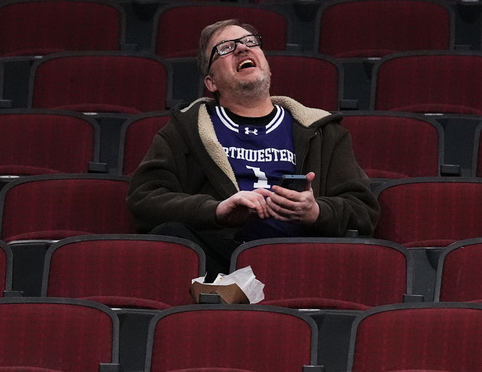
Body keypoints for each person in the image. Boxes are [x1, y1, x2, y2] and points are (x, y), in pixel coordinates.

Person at [127, 18, 379, 277]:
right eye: (225, 48)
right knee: (171, 236)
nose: (242, 48)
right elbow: (145, 200)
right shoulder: (184, 130)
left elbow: (363, 211)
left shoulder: (323, 130)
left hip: (304, 258)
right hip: (223, 261)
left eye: (250, 42)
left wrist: (316, 212)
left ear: (267, 67)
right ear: (211, 82)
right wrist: (216, 210)